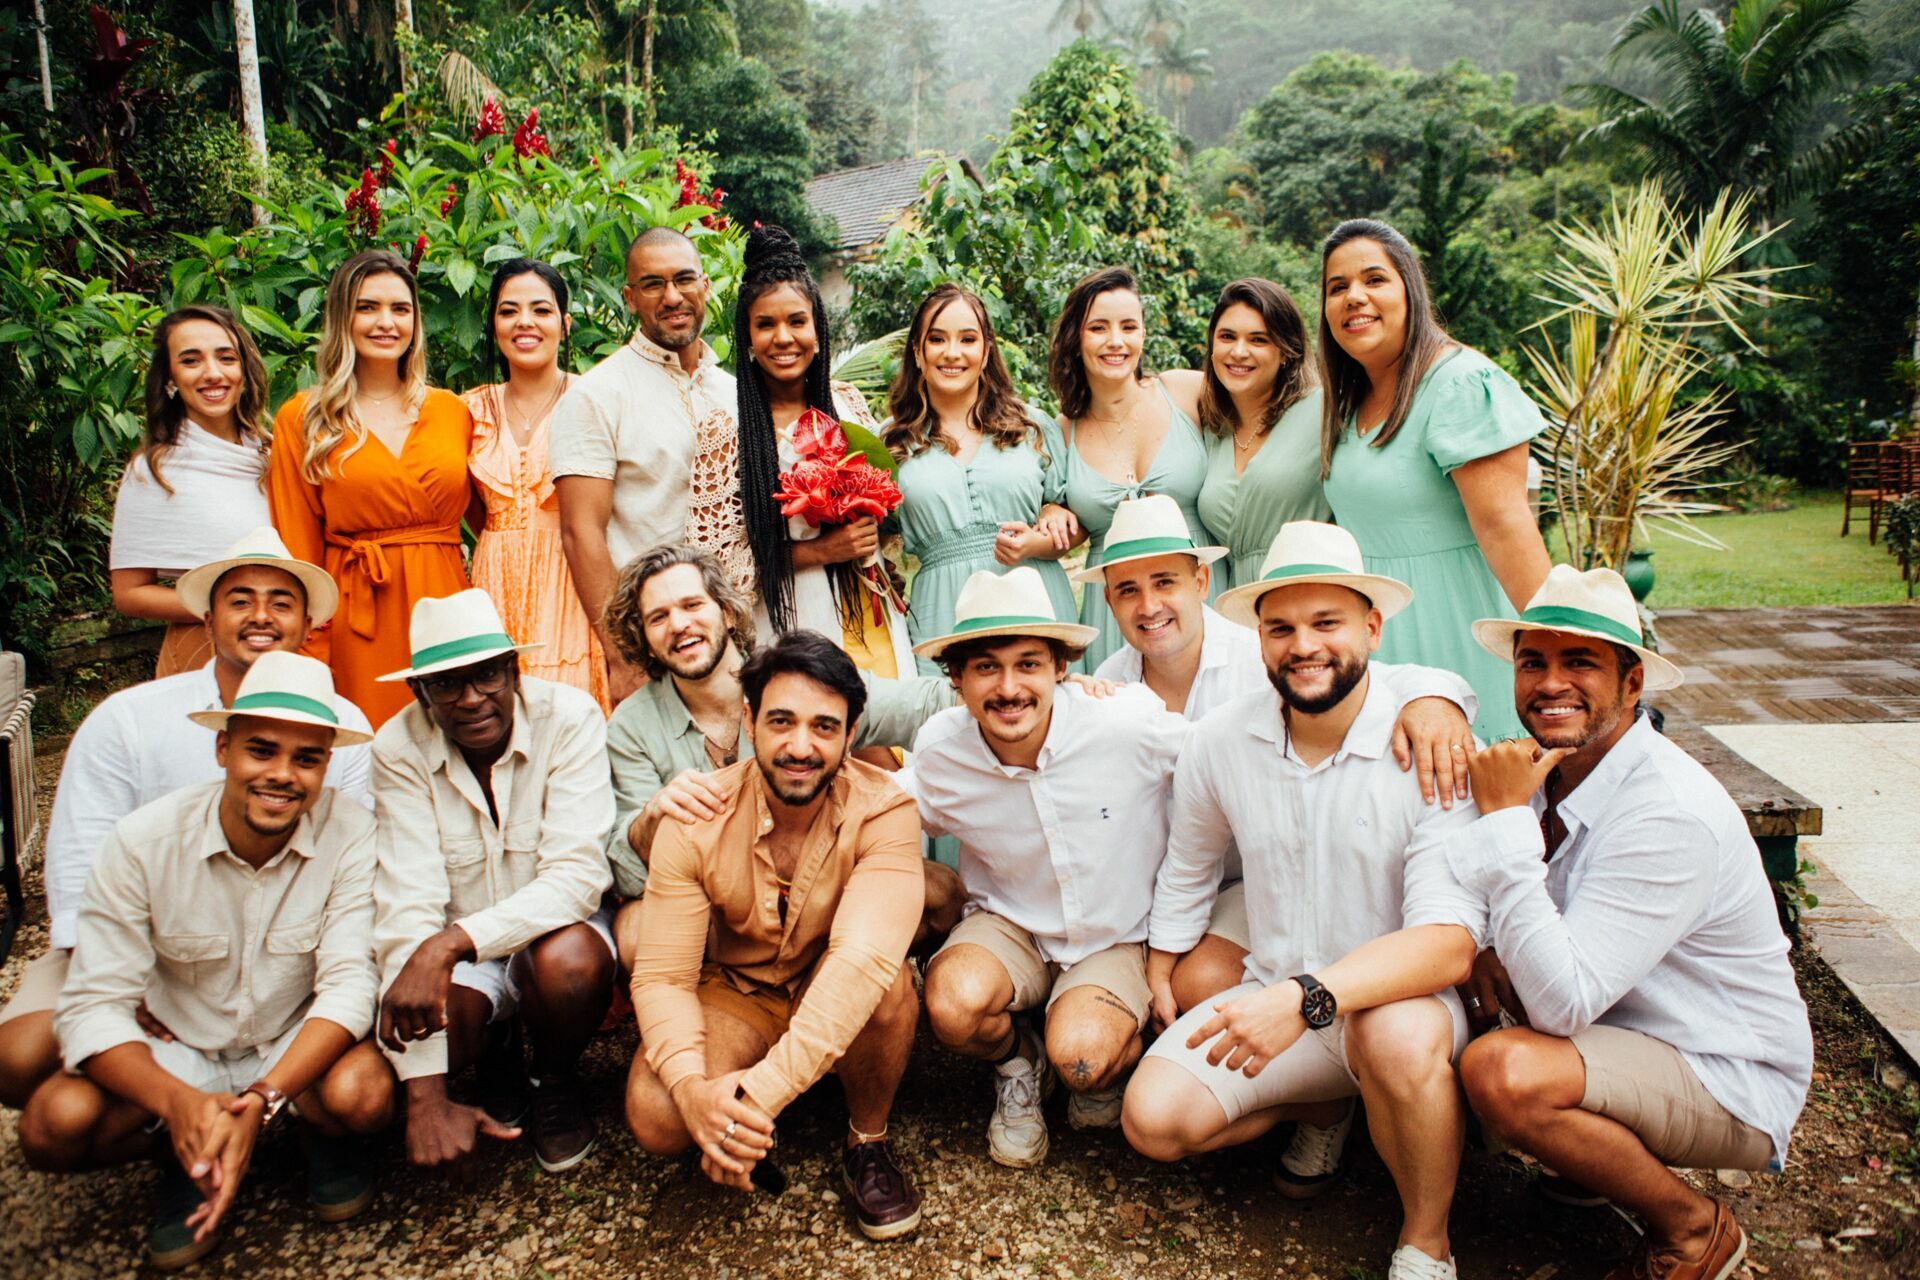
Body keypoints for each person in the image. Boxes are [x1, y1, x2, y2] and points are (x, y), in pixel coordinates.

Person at [1121, 521, 1487, 1280]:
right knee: (1152, 1122)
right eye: (1281, 628)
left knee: (1393, 1037)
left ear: (1373, 626)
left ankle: (1426, 1241)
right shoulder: (1221, 739)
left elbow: (1449, 943)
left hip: (1399, 1006)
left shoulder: (1428, 741)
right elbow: (1189, 866)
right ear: (1258, 640)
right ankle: (1325, 1108)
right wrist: (1160, 967)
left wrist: (1306, 997)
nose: (1303, 646)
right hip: (1280, 989)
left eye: (1327, 623)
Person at [1449, 565, 1813, 1280]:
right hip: (1630, 1031)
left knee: (1504, 1073)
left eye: (1579, 662)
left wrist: (1499, 825)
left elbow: (1560, 1004)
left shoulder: (1666, 810)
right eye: (1533, 662)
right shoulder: (1542, 770)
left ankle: (1693, 1232)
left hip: (1728, 1070)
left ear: (1633, 684)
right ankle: (1591, 1165)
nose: (1550, 683)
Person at [18, 652, 390, 1271]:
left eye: (307, 759)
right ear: (223, 750)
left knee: (364, 1094)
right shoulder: (143, 842)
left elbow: (351, 985)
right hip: (184, 1047)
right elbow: (92, 1007)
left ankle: (310, 1133)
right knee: (54, 1124)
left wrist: (264, 1098)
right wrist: (179, 1104)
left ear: (328, 764)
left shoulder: (351, 834)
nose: (282, 775)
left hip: (282, 1041)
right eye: (262, 750)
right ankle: (184, 1150)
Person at [0, 527, 372, 1112]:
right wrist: (131, 982)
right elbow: (80, 861)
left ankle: (268, 1110)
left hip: (282, 949)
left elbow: (353, 858)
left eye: (281, 603)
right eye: (240, 600)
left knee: (356, 1086)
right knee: (21, 1058)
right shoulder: (129, 718)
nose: (261, 618)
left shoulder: (343, 724)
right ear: (207, 619)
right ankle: (172, 1122)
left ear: (306, 626)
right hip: (142, 942)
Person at [1083, 495, 1478, 1016]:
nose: (1149, 606)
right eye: (1128, 590)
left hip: (1256, 875)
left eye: (1165, 582)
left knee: (1203, 982)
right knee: (1177, 1002)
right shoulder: (1107, 686)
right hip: (1190, 875)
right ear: (1109, 601)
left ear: (1200, 583)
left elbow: (1365, 675)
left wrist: (1439, 699)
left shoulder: (1268, 655)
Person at [626, 632, 926, 1240]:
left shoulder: (886, 810)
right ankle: (757, 1096)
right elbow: (662, 976)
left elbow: (859, 963)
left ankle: (867, 1139)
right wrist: (690, 1090)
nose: (799, 746)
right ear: (749, 720)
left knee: (887, 985)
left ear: (852, 730)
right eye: (781, 721)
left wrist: (753, 1098)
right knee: (658, 1116)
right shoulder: (696, 819)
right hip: (742, 988)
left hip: (831, 975)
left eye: (823, 726)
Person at [901, 566, 1181, 1168]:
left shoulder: (1124, 722)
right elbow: (875, 807)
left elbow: (1227, 752)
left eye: (1028, 663)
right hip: (1013, 926)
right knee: (950, 1004)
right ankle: (1016, 1060)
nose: (1008, 688)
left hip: (1117, 935)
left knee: (1082, 1061)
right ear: (955, 678)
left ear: (1061, 668)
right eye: (985, 667)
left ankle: (1092, 1053)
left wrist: (1425, 700)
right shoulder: (941, 752)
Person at [596, 544, 962, 956]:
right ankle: (733, 995)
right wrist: (650, 819)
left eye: (692, 605)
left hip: (822, 889)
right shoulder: (630, 726)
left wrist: (1005, 693)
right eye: (658, 617)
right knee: (634, 931)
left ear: (728, 612)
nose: (678, 624)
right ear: (644, 640)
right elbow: (628, 875)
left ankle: (830, 970)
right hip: (723, 910)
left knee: (938, 893)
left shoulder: (797, 673)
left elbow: (922, 704)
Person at [371, 589, 616, 1175]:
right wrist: (425, 1099)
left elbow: (578, 879)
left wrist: (449, 943)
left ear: (515, 671)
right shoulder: (396, 748)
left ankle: (552, 1077)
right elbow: (406, 896)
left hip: (553, 934)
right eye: (447, 684)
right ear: (419, 693)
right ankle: (495, 1053)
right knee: (415, 1032)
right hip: (460, 952)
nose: (472, 699)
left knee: (572, 964)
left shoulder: (571, 717)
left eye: (487, 676)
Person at [1316, 218, 1552, 742]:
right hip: (1379, 642)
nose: (1355, 296)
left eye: (1374, 279)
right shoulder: (1347, 401)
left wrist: (1562, 651)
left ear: (1410, 290)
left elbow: (1507, 527)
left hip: (1458, 632)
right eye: (1337, 287)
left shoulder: (1459, 384)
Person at [269, 249, 476, 728]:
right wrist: (309, 647)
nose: (386, 322)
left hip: (447, 607)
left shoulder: (453, 411)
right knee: (370, 756)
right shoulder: (303, 419)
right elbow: (297, 550)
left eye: (400, 309)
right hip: (357, 620)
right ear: (343, 317)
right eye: (368, 307)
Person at [550, 226, 751, 704]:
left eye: (684, 280)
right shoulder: (597, 397)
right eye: (653, 284)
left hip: (743, 640)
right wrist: (622, 659)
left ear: (706, 286)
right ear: (630, 297)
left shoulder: (737, 392)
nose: (672, 296)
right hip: (656, 647)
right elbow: (582, 535)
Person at [735, 225, 914, 678]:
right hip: (791, 618)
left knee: (889, 738)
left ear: (818, 327)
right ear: (747, 337)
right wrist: (822, 551)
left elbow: (882, 514)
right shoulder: (729, 431)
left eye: (797, 321)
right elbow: (724, 565)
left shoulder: (847, 403)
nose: (783, 337)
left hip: (866, 603)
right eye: (765, 324)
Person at [884, 283, 1080, 677]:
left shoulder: (1032, 427)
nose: (953, 352)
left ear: (986, 351)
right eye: (937, 339)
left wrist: (1040, 536)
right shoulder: (891, 442)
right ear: (918, 354)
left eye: (967, 339)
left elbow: (1074, 527)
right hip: (942, 614)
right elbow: (871, 542)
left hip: (1033, 602)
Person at [1046, 265, 1222, 670]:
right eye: (1098, 328)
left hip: (1197, 587)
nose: (1116, 341)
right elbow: (1052, 503)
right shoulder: (1062, 432)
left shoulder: (1186, 391)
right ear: (1075, 338)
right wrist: (1050, 508)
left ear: (1144, 333)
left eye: (1129, 326)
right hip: (1115, 607)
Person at [464, 258, 609, 712]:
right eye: (509, 311)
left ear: (564, 325)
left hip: (572, 587)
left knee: (569, 720)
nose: (524, 322)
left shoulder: (595, 400)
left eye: (541, 310)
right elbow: (465, 508)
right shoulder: (467, 411)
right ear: (493, 324)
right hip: (492, 589)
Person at [111, 305, 274, 676]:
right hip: (203, 649)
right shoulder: (155, 471)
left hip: (287, 649)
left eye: (226, 358)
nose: (213, 373)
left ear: (244, 370)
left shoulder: (274, 454)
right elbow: (130, 593)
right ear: (170, 378)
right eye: (191, 361)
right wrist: (233, 613)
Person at [1181, 279, 1330, 591]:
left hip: (1311, 594)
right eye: (1227, 337)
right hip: (1238, 604)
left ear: (1287, 351)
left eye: (1258, 340)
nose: (1238, 352)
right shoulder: (1211, 427)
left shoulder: (1323, 411)